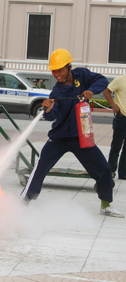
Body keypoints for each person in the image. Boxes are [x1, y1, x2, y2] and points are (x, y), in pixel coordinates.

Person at [21, 49, 123, 217]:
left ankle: (106, 205)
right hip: (59, 139)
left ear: (69, 67)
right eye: (54, 70)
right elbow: (52, 117)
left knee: (104, 169)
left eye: (60, 69)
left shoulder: (82, 75)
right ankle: (24, 201)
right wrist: (49, 109)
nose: (57, 74)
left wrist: (91, 91)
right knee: (40, 169)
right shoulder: (57, 92)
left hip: (80, 138)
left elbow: (102, 81)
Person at [103, 74, 126, 180]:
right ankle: (111, 170)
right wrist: (113, 105)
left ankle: (123, 172)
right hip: (122, 117)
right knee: (116, 146)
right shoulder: (120, 80)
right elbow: (106, 91)